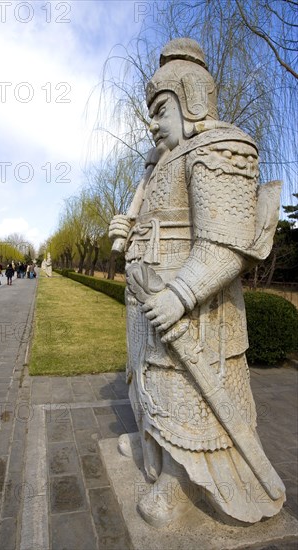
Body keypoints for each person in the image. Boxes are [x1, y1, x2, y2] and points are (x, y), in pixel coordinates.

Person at [109, 38, 284, 527]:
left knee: (183, 390)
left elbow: (227, 243)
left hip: (193, 307)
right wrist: (128, 230)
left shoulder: (218, 147)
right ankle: (154, 452)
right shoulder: (155, 165)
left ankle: (178, 482)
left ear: (192, 100)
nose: (151, 122)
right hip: (146, 298)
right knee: (148, 385)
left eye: (160, 109)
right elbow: (153, 221)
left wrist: (182, 293)